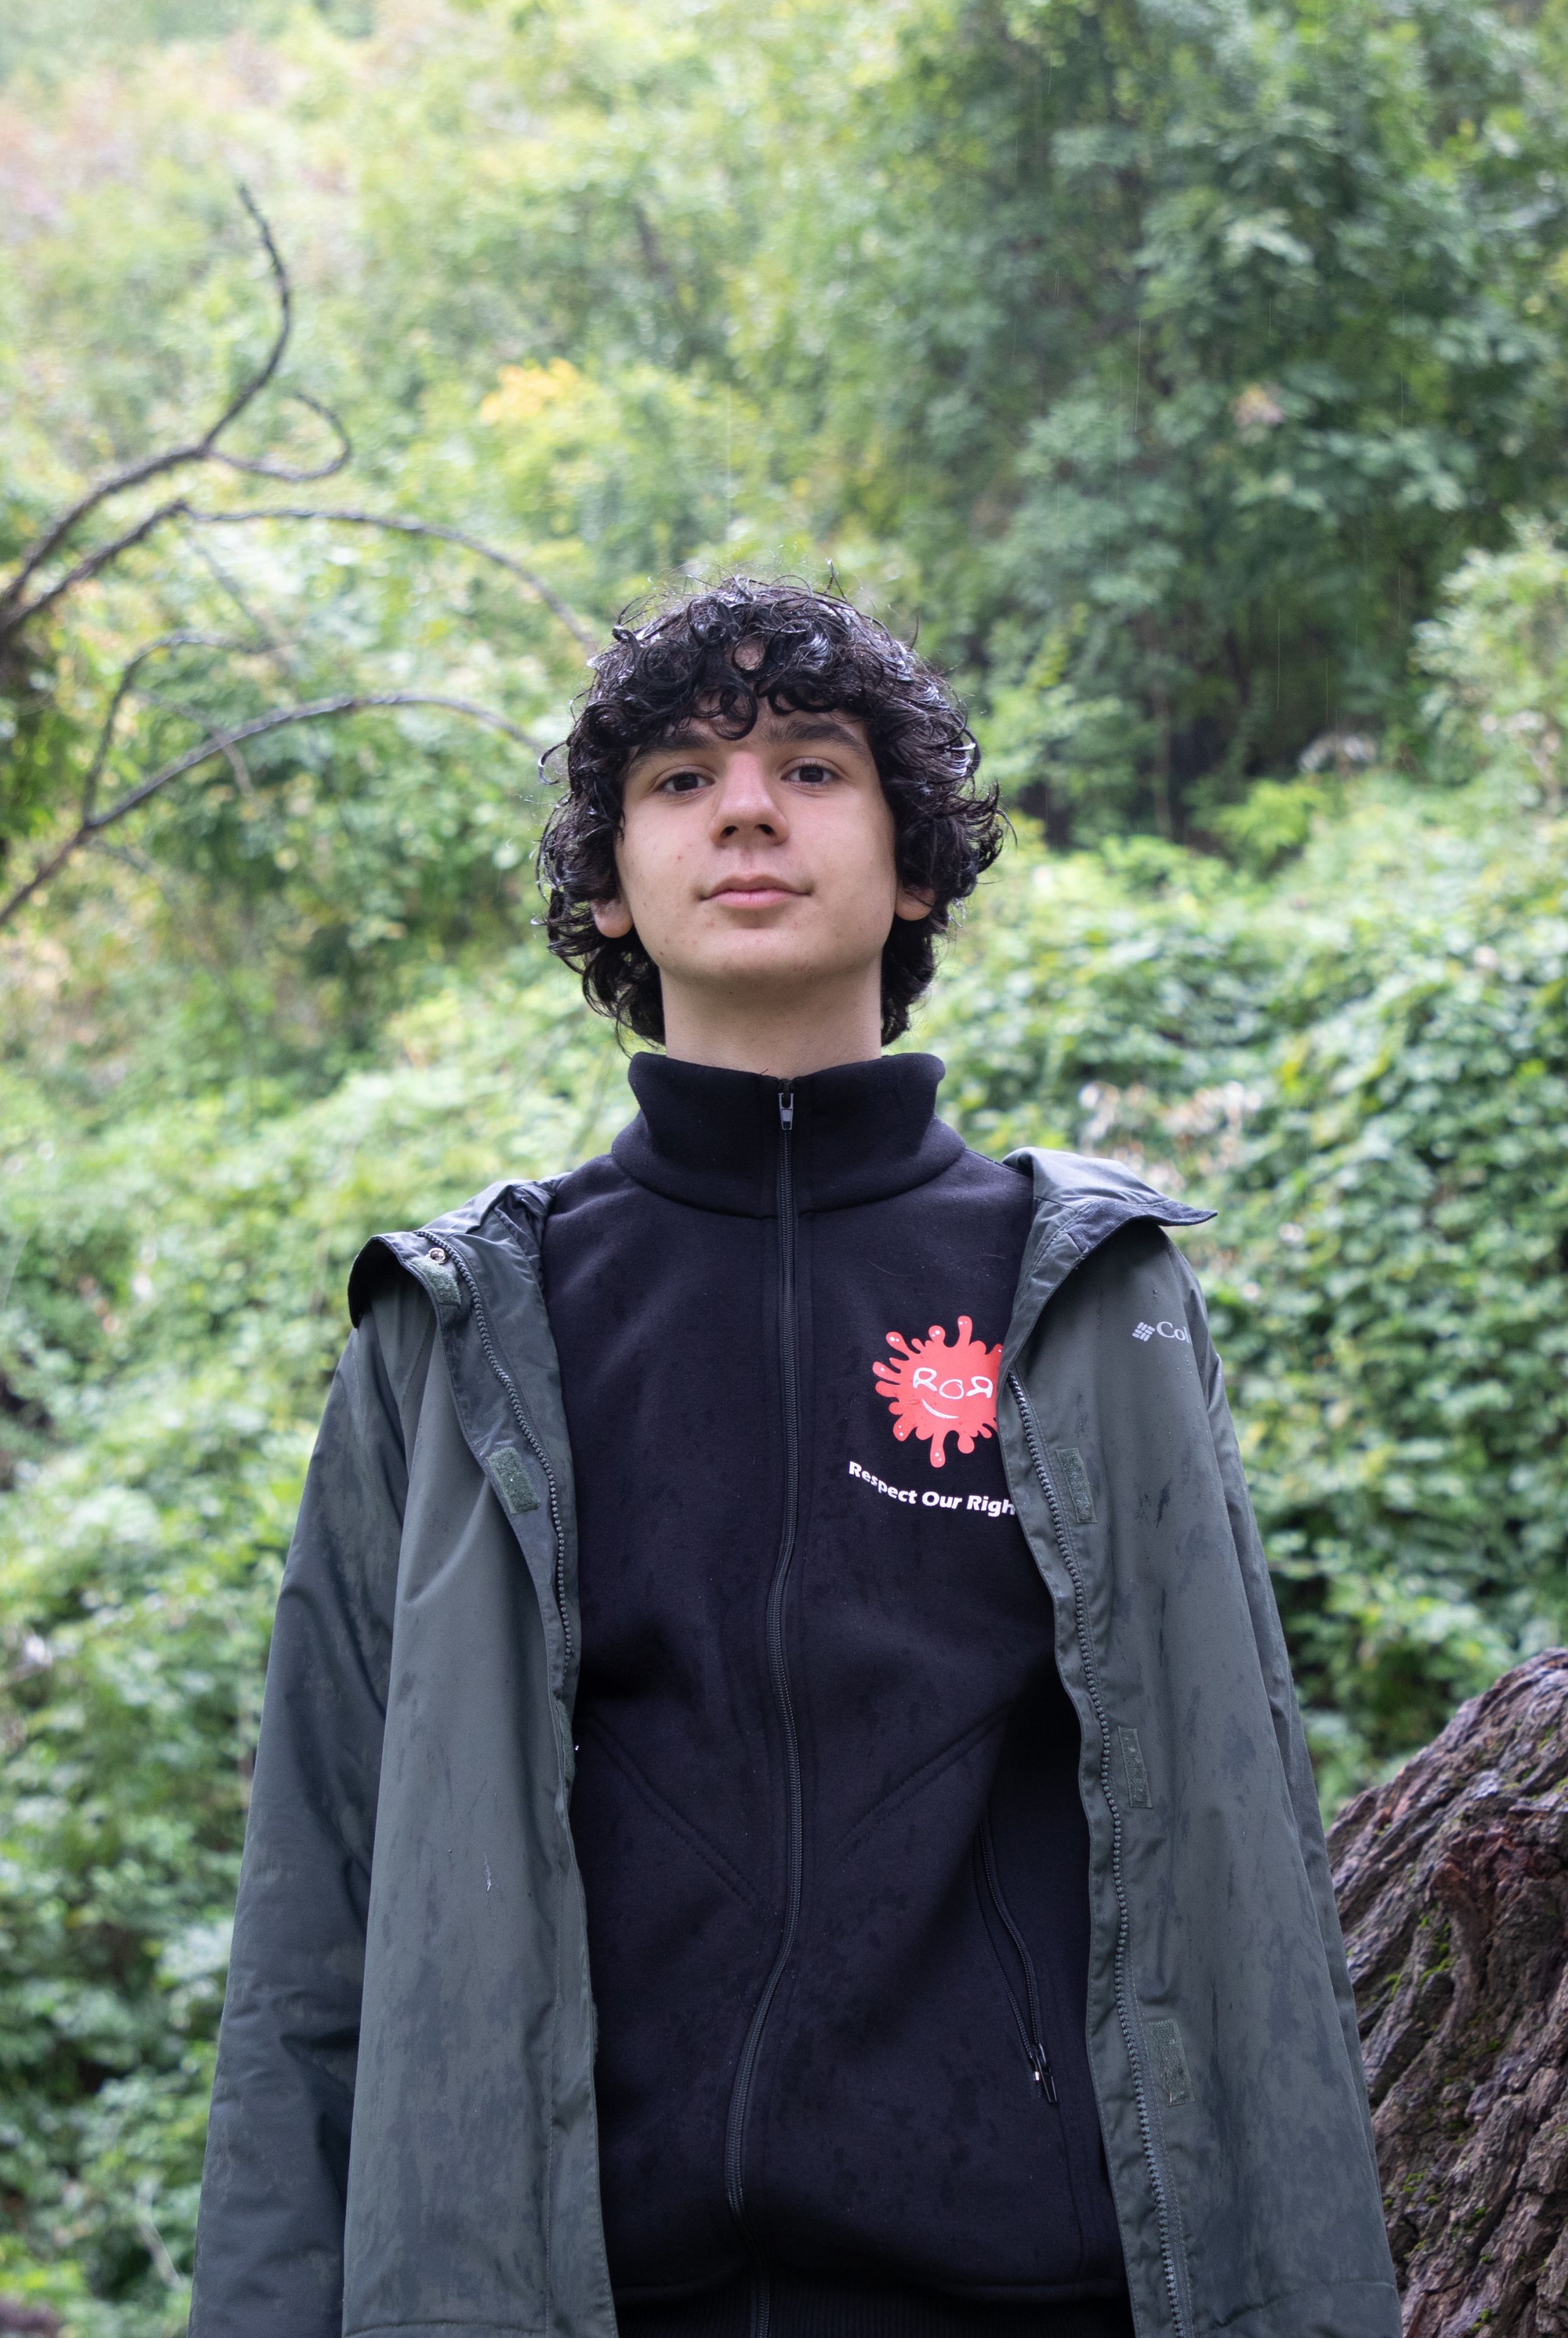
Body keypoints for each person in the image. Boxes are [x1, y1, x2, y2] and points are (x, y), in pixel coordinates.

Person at [186, 579, 1399, 2338]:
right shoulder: (464, 1332)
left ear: (913, 866)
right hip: (570, 2290)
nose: (746, 808)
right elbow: (321, 1905)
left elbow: (1243, 1872)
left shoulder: (1088, 1305)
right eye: (679, 779)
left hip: (1029, 2291)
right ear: (611, 884)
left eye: (811, 765)